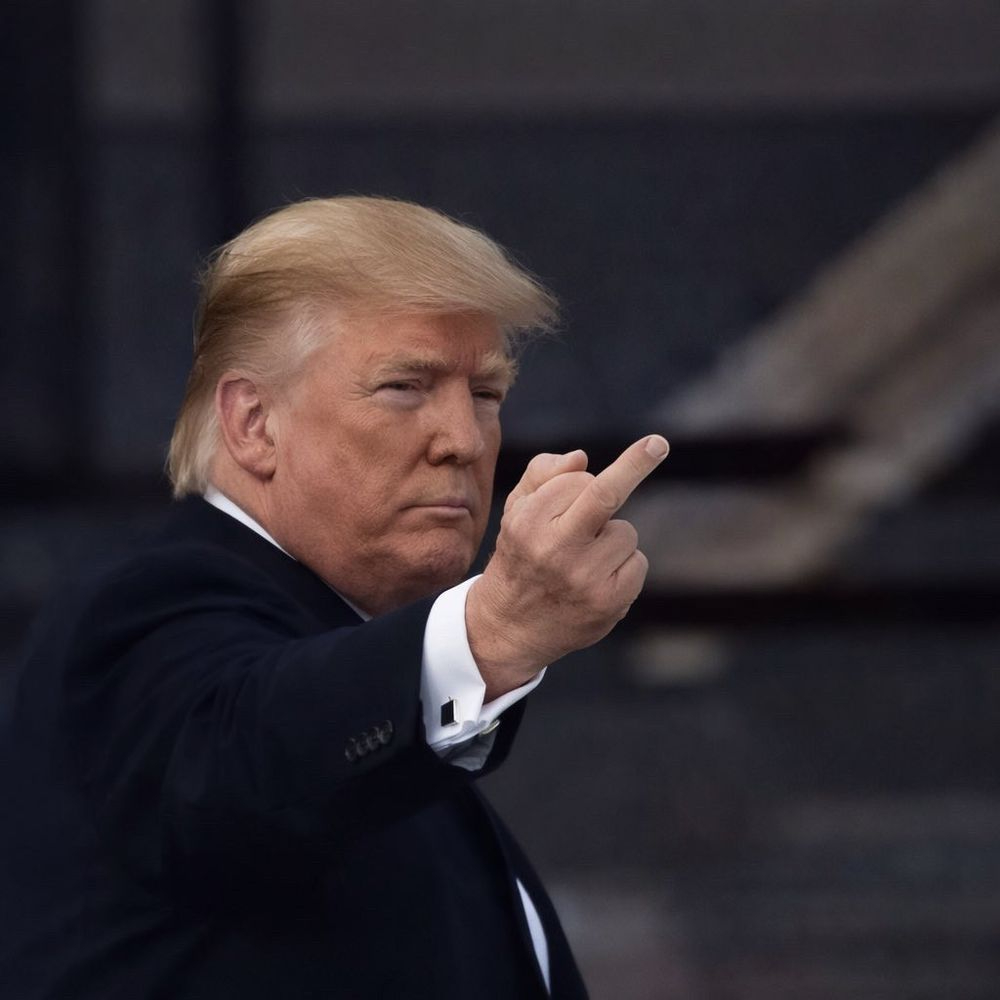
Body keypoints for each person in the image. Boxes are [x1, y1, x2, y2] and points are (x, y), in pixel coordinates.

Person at [0, 196, 668, 998]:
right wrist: (491, 631)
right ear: (254, 423)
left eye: (486, 394)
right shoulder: (144, 604)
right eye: (404, 386)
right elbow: (248, 755)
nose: (463, 439)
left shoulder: (378, 691)